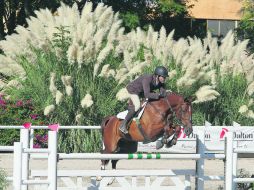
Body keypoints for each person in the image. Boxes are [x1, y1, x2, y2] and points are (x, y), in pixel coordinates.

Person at [119, 66, 169, 134]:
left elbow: (163, 93)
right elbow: (147, 94)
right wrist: (159, 95)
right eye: (163, 77)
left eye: (165, 77)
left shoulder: (161, 82)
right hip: (134, 90)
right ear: (158, 76)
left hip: (142, 92)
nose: (164, 79)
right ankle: (123, 124)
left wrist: (167, 94)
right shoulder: (147, 78)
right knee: (137, 106)